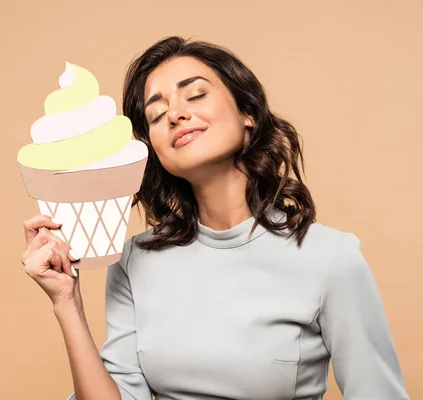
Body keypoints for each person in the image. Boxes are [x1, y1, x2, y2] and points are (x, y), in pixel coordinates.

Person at [20, 36, 409, 400]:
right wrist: (67, 302)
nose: (175, 114)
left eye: (196, 95)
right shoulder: (134, 260)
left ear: (248, 115)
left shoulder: (330, 257)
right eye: (157, 115)